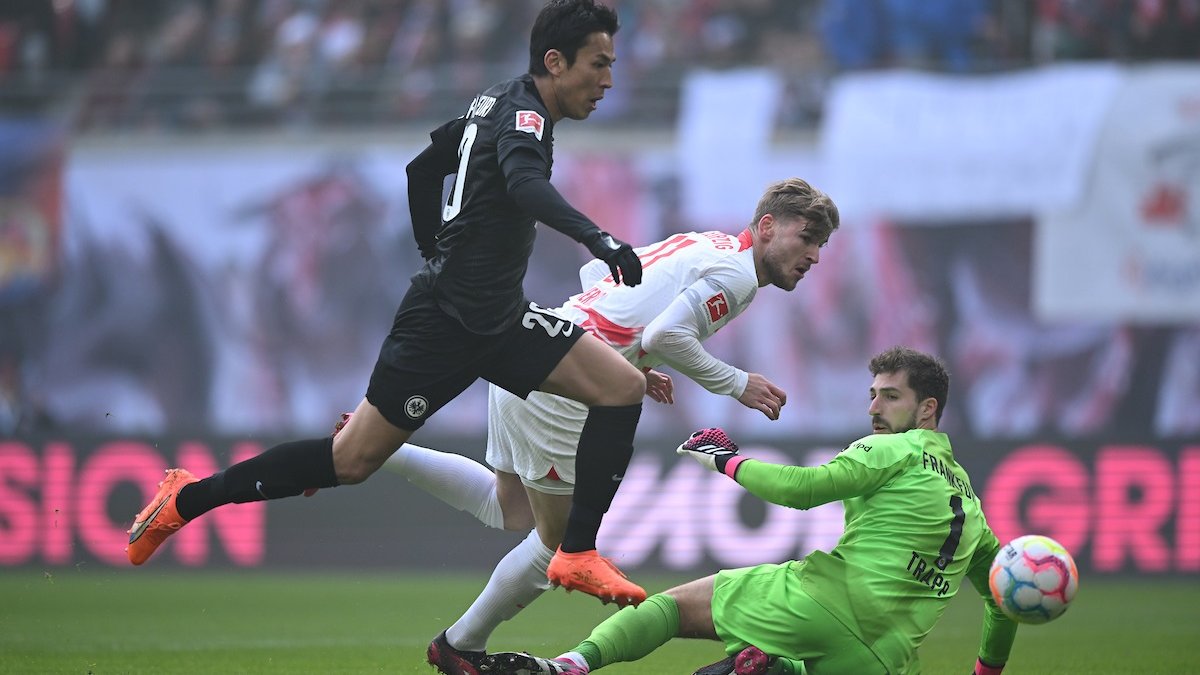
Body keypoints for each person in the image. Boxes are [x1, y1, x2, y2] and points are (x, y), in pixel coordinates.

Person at [125, 0, 652, 606]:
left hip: (500, 318)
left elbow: (421, 169)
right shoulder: (525, 119)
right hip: (446, 324)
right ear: (555, 62)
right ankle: (187, 498)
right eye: (598, 64)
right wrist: (599, 238)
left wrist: (435, 250)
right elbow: (524, 184)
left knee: (621, 387)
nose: (608, 81)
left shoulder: (495, 102)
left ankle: (577, 554)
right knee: (350, 461)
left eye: (611, 66)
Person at [358, 177, 839, 675]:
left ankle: (377, 447)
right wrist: (737, 383)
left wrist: (626, 364)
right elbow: (666, 334)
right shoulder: (738, 277)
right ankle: (460, 645)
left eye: (821, 244)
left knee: (511, 507)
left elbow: (600, 275)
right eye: (806, 238)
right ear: (767, 226)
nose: (814, 255)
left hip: (538, 346)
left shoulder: (707, 244)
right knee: (557, 541)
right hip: (558, 388)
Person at [482, 346, 1019, 675]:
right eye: (873, 394)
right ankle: (776, 668)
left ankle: (570, 666)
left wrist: (727, 460)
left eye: (890, 397)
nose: (873, 408)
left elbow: (805, 489)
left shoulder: (893, 449)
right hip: (884, 661)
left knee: (671, 607)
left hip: (819, 604)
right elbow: (1002, 600)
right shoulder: (972, 509)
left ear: (928, 410)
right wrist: (986, 671)